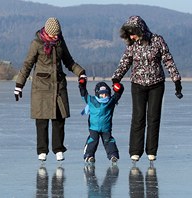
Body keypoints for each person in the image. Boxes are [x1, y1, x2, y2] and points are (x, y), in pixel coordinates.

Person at [111, 15, 183, 162]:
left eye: (133, 33)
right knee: (138, 117)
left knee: (153, 117)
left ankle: (151, 151)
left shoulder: (157, 40)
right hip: (138, 85)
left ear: (141, 30)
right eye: (129, 34)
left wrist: (176, 80)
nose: (131, 36)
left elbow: (168, 60)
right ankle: (135, 151)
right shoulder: (132, 45)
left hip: (156, 84)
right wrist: (116, 78)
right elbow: (125, 62)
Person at [14, 17, 86, 162]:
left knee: (59, 119)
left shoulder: (59, 41)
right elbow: (27, 65)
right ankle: (42, 150)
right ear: (47, 32)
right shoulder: (36, 44)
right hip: (41, 87)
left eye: (57, 34)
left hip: (58, 86)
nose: (55, 37)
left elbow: (69, 61)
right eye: (53, 35)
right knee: (42, 120)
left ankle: (58, 149)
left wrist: (80, 72)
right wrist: (19, 85)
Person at [78, 76, 124, 164]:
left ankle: (113, 155)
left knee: (109, 141)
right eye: (102, 94)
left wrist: (119, 87)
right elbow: (83, 93)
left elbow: (118, 93)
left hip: (106, 128)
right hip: (93, 128)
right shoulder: (91, 100)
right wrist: (82, 84)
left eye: (106, 94)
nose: (104, 96)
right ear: (97, 93)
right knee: (92, 141)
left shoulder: (110, 102)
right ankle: (89, 155)